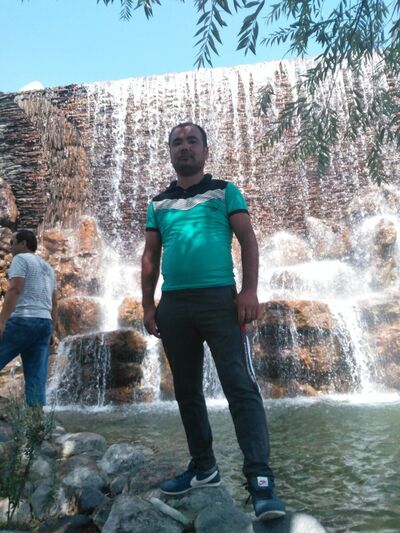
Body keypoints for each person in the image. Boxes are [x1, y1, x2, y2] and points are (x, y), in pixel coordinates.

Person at [141, 122, 285, 520]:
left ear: (205, 150)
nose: (184, 147)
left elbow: (248, 239)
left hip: (220, 300)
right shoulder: (158, 203)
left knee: (240, 386)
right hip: (174, 304)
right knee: (186, 391)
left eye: (192, 141)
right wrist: (148, 306)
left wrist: (249, 290)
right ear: (170, 152)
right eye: (177, 142)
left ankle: (260, 481)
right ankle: (204, 468)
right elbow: (150, 257)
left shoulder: (225, 190)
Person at [0, 229, 57, 408]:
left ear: (23, 243)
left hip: (23, 321)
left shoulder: (20, 259)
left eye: (12, 242)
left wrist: (1, 321)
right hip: (44, 323)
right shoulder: (48, 268)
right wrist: (52, 331)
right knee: (36, 378)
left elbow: (14, 289)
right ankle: (36, 420)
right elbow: (54, 302)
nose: (10, 247)